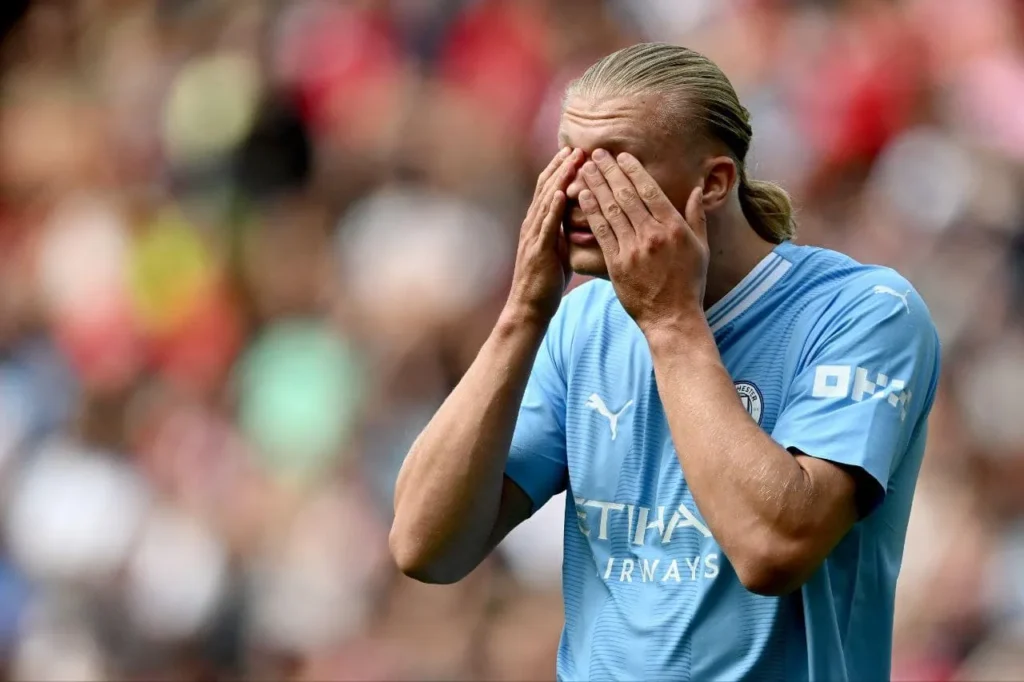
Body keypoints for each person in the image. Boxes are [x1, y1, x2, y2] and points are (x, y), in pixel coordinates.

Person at [389, 42, 941, 682]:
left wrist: (671, 322)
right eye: (565, 157)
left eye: (613, 165)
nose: (575, 190)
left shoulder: (865, 313)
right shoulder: (580, 322)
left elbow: (773, 548)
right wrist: (522, 315)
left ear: (714, 183)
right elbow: (425, 546)